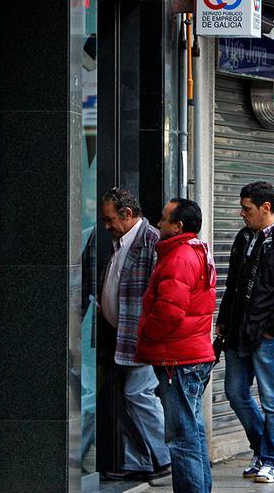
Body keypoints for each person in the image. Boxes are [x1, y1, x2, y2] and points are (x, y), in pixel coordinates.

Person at [217, 182, 274, 484]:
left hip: (268, 336)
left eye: (247, 209)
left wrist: (273, 329)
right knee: (235, 392)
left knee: (273, 399)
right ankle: (262, 448)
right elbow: (233, 284)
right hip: (238, 332)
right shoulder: (244, 237)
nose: (242, 214)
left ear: (266, 208)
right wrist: (224, 320)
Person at [135, 198, 217, 493]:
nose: (158, 224)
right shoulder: (195, 251)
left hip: (179, 360)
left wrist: (146, 334)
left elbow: (170, 310)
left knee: (182, 438)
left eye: (164, 219)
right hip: (189, 356)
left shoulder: (180, 256)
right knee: (192, 434)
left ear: (178, 226)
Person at [98, 188, 170, 480]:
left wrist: (151, 333)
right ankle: (139, 462)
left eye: (110, 219)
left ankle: (165, 458)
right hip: (120, 336)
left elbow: (162, 294)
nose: (106, 225)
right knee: (126, 398)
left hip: (141, 337)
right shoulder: (120, 241)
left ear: (127, 215)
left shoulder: (151, 241)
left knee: (138, 394)